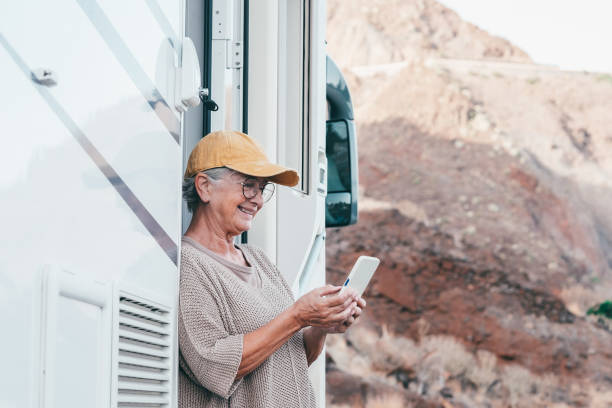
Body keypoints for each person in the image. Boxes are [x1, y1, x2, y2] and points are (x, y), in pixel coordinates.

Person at [179, 130, 366, 408]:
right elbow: (213, 365)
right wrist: (298, 316)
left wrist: (321, 326)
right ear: (204, 186)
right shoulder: (187, 263)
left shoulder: (259, 260)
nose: (257, 200)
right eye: (248, 185)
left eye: (262, 188)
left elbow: (293, 357)